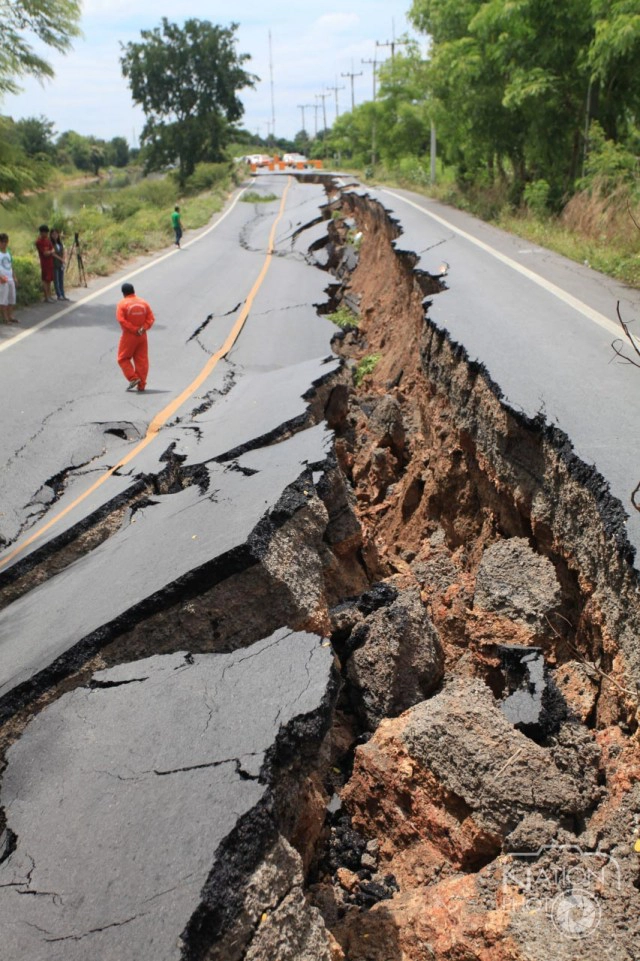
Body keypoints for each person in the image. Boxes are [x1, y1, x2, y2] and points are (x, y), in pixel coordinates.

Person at [116, 282, 155, 392]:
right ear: (134, 291)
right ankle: (141, 385)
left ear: (123, 293)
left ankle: (133, 378)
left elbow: (121, 320)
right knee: (142, 360)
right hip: (142, 335)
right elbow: (151, 319)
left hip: (129, 335)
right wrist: (143, 328)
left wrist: (134, 329)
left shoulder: (122, 304)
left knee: (123, 358)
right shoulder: (144, 303)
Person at [0, 233, 18, 324]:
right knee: (3, 299)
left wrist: (14, 277)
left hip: (10, 278)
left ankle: (10, 316)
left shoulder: (8, 253)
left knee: (12, 298)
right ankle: (5, 318)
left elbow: (11, 266)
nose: (4, 244)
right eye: (2, 242)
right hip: (2, 280)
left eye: (5, 242)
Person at [35, 224, 55, 303]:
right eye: (45, 232)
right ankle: (46, 296)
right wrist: (50, 252)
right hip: (44, 263)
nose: (46, 234)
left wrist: (50, 252)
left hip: (50, 263)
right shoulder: (39, 242)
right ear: (41, 232)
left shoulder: (48, 240)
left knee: (49, 280)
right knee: (45, 280)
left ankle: (49, 296)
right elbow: (45, 253)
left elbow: (52, 250)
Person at [50, 229, 68, 302]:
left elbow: (63, 252)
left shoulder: (59, 244)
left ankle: (63, 294)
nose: (55, 236)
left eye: (56, 234)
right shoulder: (51, 244)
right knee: (56, 280)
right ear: (51, 235)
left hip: (60, 264)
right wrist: (61, 259)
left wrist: (63, 259)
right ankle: (59, 295)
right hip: (55, 264)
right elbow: (53, 254)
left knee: (61, 280)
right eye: (53, 234)